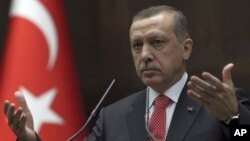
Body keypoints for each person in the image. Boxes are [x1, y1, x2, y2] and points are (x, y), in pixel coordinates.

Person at [3, 5, 250, 141]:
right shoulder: (113, 118)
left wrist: (234, 120)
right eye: (137, 45)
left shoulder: (223, 103)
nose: (145, 55)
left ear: (186, 48)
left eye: (157, 42)